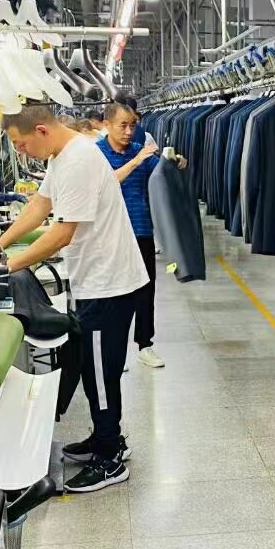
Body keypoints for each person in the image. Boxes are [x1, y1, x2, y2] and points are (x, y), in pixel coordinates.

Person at [0, 102, 148, 494]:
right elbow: (40, 205)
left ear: (41, 130)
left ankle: (110, 457)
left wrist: (8, 266)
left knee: (101, 375)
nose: (20, 151)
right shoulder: (61, 156)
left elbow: (62, 233)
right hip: (94, 280)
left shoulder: (79, 161)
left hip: (108, 284)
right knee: (90, 367)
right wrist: (1, 243)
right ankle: (104, 437)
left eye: (20, 143)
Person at [95, 101, 171, 369]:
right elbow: (106, 183)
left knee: (145, 290)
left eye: (133, 125)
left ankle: (145, 344)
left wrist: (175, 163)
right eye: (123, 125)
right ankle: (112, 348)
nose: (129, 131)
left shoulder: (140, 150)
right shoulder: (96, 153)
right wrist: (136, 161)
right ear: (107, 124)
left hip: (140, 229)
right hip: (110, 232)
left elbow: (161, 173)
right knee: (113, 292)